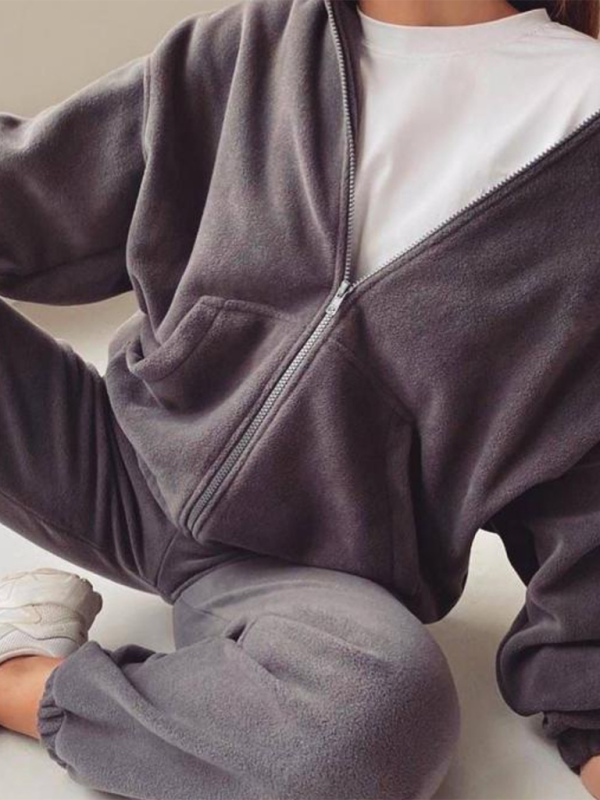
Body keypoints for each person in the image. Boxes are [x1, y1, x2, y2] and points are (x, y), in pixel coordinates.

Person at [2, 0, 600, 797]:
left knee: (373, 723)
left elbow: (585, 470)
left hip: (314, 583)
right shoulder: (250, 46)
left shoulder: (581, 129)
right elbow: (33, 196)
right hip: (112, 461)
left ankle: (20, 672)